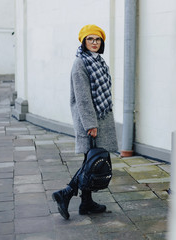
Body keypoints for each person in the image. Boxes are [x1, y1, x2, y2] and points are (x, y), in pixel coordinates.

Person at [52, 24, 118, 220]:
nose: (94, 43)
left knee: (90, 162)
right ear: (83, 42)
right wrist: (91, 125)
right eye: (90, 39)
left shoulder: (98, 62)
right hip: (89, 120)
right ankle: (65, 194)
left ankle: (86, 203)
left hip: (100, 117)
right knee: (90, 162)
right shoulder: (80, 63)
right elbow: (82, 98)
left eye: (97, 39)